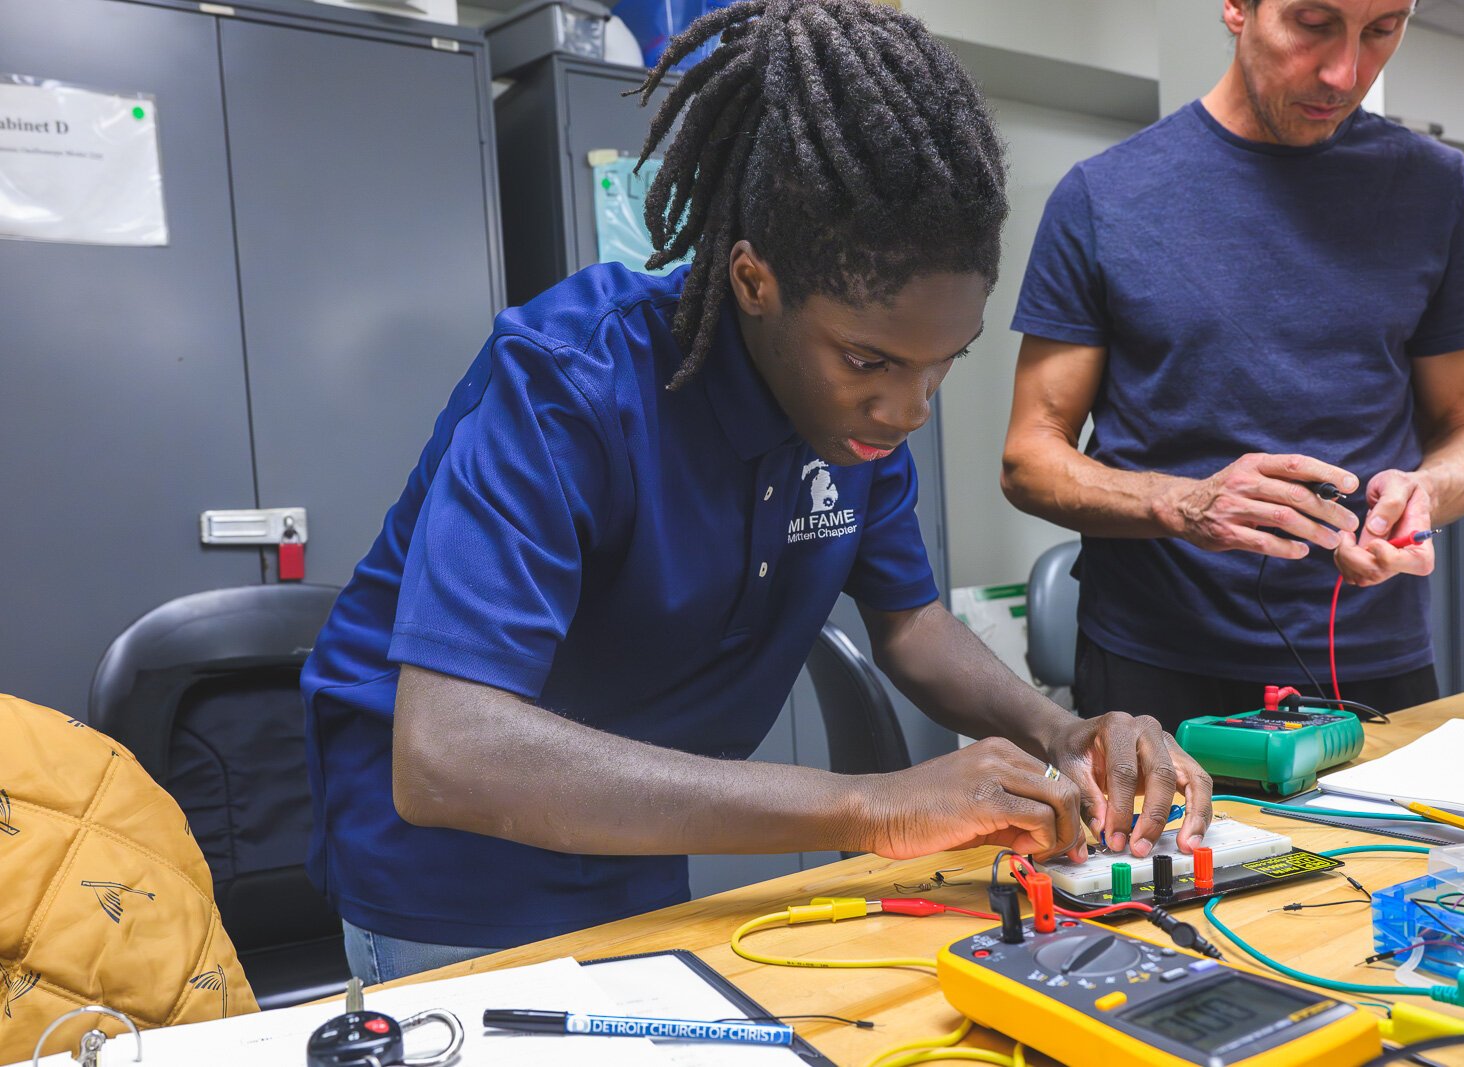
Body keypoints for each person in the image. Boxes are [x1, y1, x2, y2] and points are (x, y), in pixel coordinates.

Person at [301, 0, 1214, 986]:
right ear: (751, 280)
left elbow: (909, 625)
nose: (908, 406)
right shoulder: (570, 381)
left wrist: (1061, 729)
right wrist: (870, 802)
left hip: (633, 838)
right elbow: (449, 753)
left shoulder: (854, 411)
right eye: (870, 358)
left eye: (941, 362)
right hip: (450, 874)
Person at [1002, 0, 1464, 733]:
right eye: (1312, 22)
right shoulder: (1104, 196)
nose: (1345, 73)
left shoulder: (1435, 189)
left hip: (1371, 659)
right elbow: (1028, 458)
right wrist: (1184, 504)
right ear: (1238, 7)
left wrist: (1426, 490)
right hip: (1155, 662)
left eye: (1381, 31)